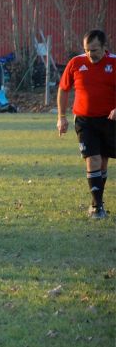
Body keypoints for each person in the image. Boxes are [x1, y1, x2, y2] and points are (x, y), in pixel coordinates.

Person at [57, 29, 116, 219]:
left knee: (104, 161)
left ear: (104, 47)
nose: (90, 54)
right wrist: (61, 116)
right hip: (84, 120)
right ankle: (97, 207)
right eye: (87, 50)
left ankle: (97, 202)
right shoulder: (75, 63)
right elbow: (63, 89)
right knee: (93, 159)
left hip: (109, 120)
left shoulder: (114, 63)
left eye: (95, 50)